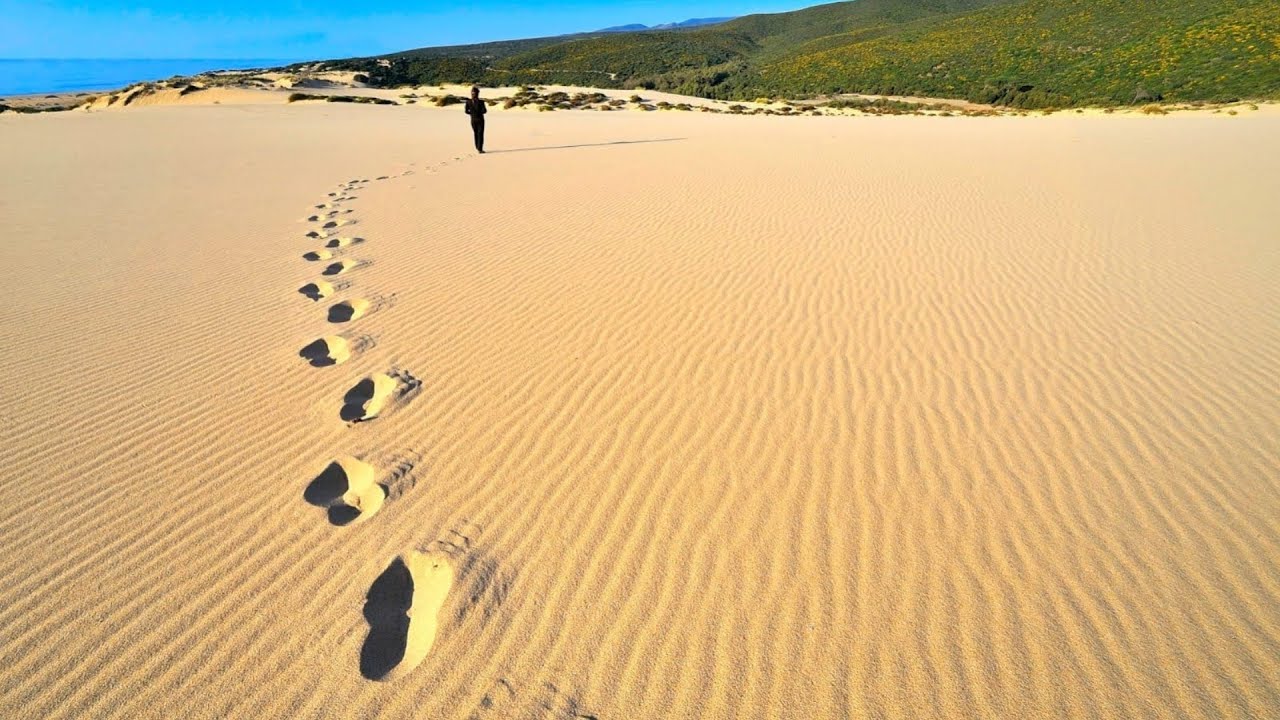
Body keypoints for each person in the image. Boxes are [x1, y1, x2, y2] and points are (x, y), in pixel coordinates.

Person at [464, 86, 487, 153]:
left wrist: (472, 113)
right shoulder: (481, 102)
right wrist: (478, 112)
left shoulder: (468, 101)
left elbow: (466, 111)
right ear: (478, 93)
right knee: (480, 134)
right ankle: (479, 148)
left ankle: (477, 147)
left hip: (473, 120)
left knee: (476, 133)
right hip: (480, 120)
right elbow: (485, 111)